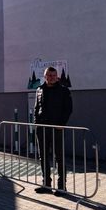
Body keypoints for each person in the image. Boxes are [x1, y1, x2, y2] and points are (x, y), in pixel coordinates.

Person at [34, 66, 73, 196]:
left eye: (53, 75)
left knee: (59, 157)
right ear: (45, 76)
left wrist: (62, 124)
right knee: (43, 156)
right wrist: (36, 124)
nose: (51, 78)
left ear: (57, 77)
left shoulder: (63, 90)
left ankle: (62, 187)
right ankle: (46, 185)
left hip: (57, 128)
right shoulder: (39, 89)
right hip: (42, 129)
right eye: (49, 75)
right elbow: (36, 108)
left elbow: (68, 109)